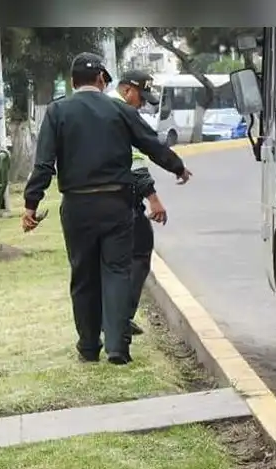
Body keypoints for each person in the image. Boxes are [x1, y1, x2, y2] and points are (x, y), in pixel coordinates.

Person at [22, 52, 192, 365]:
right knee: (117, 272)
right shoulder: (119, 110)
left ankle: (88, 347)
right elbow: (150, 144)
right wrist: (177, 167)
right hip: (116, 203)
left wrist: (32, 204)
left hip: (77, 206)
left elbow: (44, 164)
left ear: (73, 82)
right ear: (101, 79)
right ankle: (117, 347)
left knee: (83, 275)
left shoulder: (58, 111)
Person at [110, 70, 168, 339]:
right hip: (121, 202)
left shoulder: (96, 108)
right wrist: (153, 198)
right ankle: (121, 317)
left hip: (85, 200)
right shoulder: (122, 114)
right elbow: (136, 160)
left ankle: (106, 324)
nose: (142, 105)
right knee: (140, 252)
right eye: (141, 98)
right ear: (127, 91)